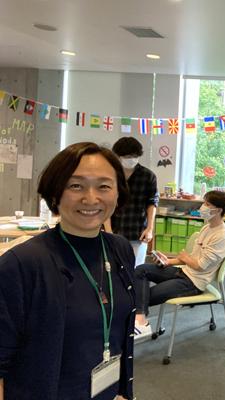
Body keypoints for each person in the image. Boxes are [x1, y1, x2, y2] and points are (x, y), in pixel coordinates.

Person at [0, 142, 135, 400]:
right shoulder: (23, 264)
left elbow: (117, 334)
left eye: (104, 186)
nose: (91, 198)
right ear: (55, 193)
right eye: (76, 186)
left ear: (118, 193)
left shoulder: (119, 249)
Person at [133, 190, 225, 338]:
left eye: (207, 204)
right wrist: (167, 261)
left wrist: (184, 258)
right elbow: (191, 258)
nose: (202, 207)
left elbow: (200, 265)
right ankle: (141, 320)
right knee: (141, 270)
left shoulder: (222, 236)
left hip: (194, 283)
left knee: (146, 296)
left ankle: (138, 321)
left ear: (218, 210)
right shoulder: (207, 227)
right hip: (184, 272)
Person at [107, 137, 159, 266]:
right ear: (118, 156)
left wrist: (150, 228)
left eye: (134, 156)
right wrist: (108, 230)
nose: (131, 159)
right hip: (114, 229)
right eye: (127, 156)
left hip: (138, 231)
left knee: (136, 269)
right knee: (112, 267)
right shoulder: (110, 174)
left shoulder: (148, 176)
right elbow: (105, 203)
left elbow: (152, 203)